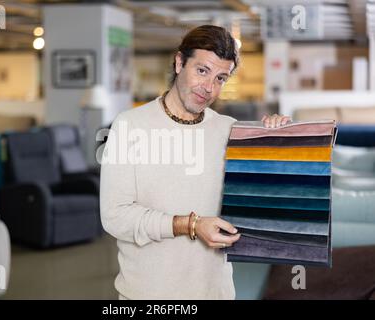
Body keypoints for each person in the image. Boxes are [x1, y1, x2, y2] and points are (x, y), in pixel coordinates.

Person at [99, 25, 291, 300]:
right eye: (202, 71)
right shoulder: (129, 125)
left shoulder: (230, 130)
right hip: (148, 296)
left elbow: (267, 201)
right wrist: (190, 225)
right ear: (179, 63)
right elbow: (115, 216)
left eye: (221, 78)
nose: (209, 88)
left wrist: (283, 139)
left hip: (217, 293)